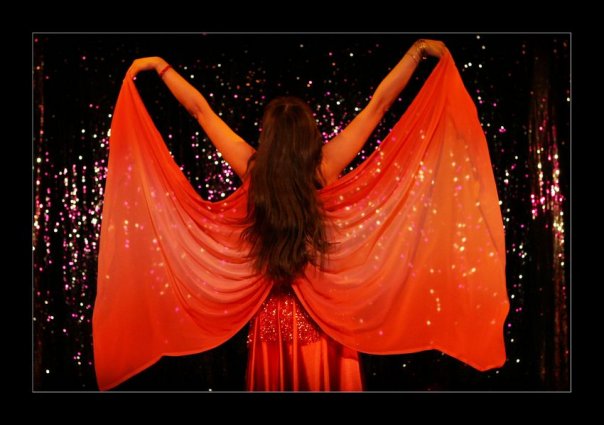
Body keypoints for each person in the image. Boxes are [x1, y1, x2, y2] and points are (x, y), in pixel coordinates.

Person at [93, 38, 508, 391]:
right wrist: (416, 53)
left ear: (269, 137)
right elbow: (378, 107)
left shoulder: (253, 168)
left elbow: (201, 112)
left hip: (271, 320)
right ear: (310, 135)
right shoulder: (325, 167)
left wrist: (160, 67)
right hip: (328, 320)